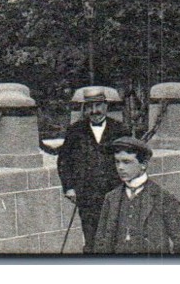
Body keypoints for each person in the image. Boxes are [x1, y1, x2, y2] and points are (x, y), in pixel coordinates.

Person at [90, 136, 180, 254]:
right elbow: (100, 243)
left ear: (143, 165)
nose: (120, 167)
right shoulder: (111, 198)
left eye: (126, 162)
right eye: (117, 161)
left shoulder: (163, 198)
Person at [56, 85, 131, 248]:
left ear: (106, 106)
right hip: (87, 195)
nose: (94, 111)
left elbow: (132, 160)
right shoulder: (75, 131)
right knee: (92, 239)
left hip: (116, 193)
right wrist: (69, 187)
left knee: (117, 237)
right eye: (90, 107)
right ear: (85, 109)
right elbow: (64, 161)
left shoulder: (120, 130)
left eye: (98, 106)